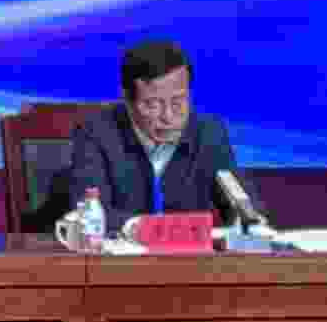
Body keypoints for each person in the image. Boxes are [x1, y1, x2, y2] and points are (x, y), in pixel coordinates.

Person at [57, 39, 246, 241]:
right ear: (127, 100)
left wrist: (249, 220)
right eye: (153, 104)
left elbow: (243, 206)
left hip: (189, 256)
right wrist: (147, 229)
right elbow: (88, 214)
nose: (168, 117)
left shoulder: (209, 132)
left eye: (178, 102)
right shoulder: (96, 133)